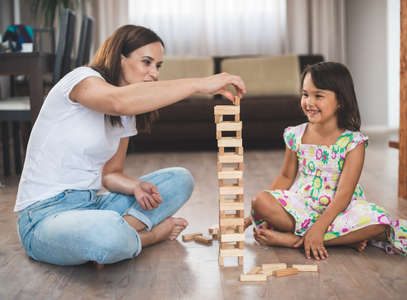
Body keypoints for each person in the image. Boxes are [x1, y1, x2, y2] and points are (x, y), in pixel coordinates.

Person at [15, 25, 246, 267]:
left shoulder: (125, 115)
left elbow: (111, 174)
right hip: (43, 218)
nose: (154, 73)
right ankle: (148, 235)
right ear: (119, 58)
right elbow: (118, 102)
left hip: (93, 205)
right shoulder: (82, 80)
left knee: (180, 180)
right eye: (146, 62)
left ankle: (120, 232)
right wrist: (200, 84)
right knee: (108, 234)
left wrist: (136, 186)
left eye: (158, 66)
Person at [244, 62, 407, 260]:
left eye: (318, 96)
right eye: (305, 94)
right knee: (260, 201)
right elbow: (285, 177)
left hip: (340, 208)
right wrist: (250, 218)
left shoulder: (354, 142)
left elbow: (344, 195)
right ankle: (342, 239)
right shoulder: (295, 135)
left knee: (380, 223)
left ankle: (294, 240)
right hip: (303, 204)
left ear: (340, 101)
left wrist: (320, 228)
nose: (309, 102)